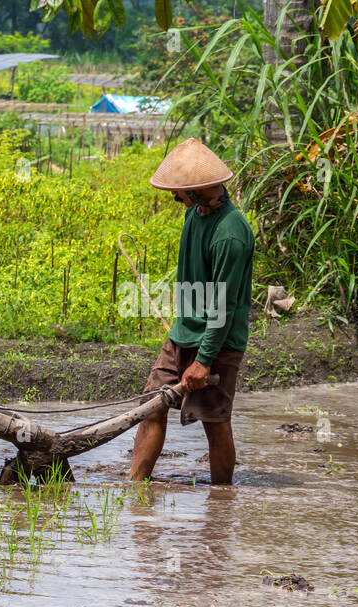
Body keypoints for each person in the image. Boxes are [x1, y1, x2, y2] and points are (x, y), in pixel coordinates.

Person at [129, 138, 255, 485]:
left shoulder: (231, 234)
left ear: (200, 191)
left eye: (180, 192)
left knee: (215, 422)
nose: (175, 199)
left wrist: (204, 359)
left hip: (219, 341)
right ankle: (135, 488)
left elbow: (224, 306)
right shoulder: (194, 213)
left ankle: (221, 503)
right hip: (183, 333)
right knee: (151, 407)